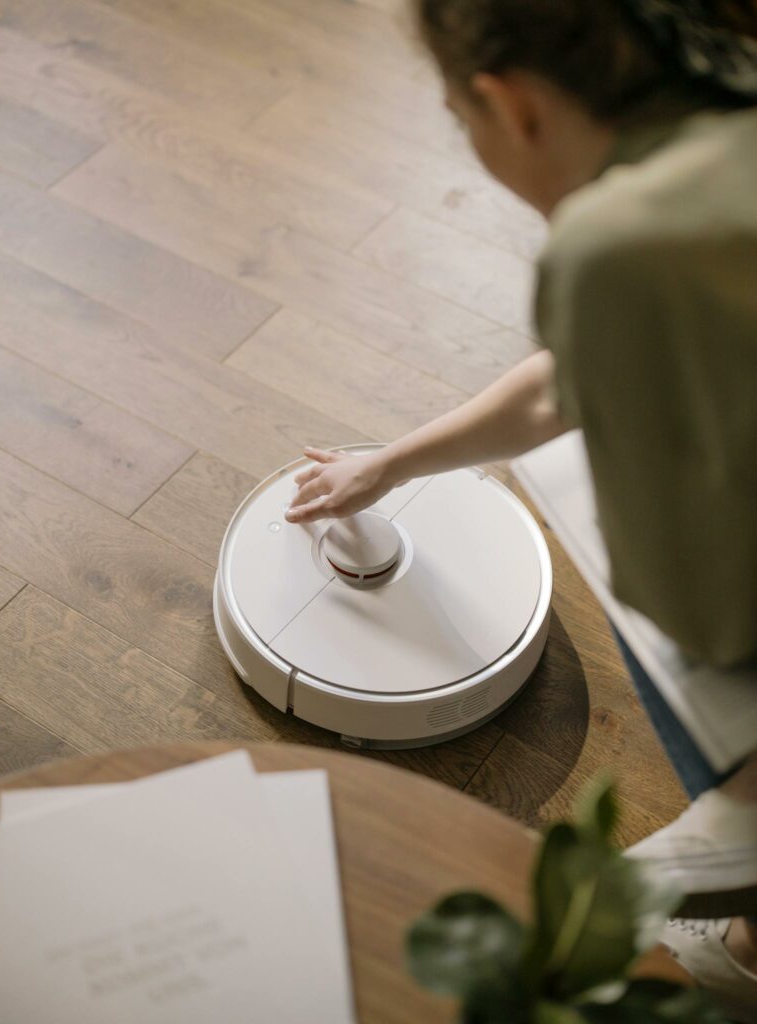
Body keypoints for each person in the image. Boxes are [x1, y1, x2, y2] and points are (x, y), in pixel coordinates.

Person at [285, 1, 757, 1018]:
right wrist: (392, 465)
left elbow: (701, 613)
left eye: (465, 122)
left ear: (510, 105)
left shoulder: (616, 244)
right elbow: (558, 386)